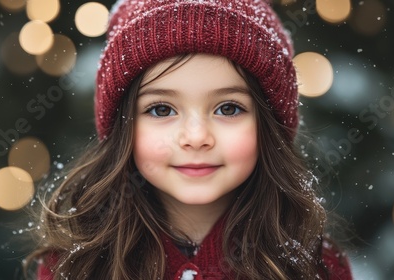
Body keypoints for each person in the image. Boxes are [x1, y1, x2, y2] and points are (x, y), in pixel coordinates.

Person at [25, 0, 353, 279]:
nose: (196, 137)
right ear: (123, 127)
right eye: (161, 109)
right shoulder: (76, 264)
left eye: (228, 108)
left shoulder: (314, 265)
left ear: (268, 125)